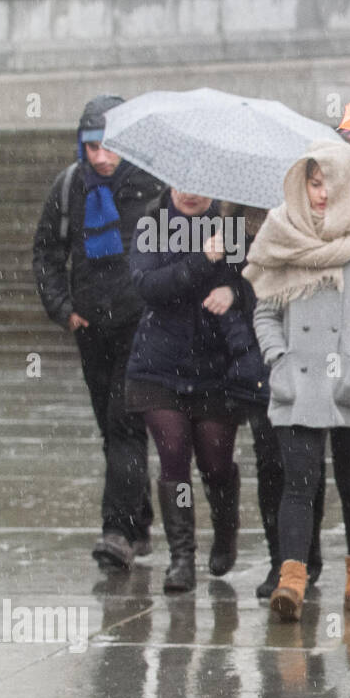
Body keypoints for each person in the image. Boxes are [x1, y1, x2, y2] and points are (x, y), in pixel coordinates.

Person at [246, 140, 350, 619]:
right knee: (298, 481)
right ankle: (291, 581)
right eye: (314, 182)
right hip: (298, 380)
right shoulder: (281, 230)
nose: (322, 193)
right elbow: (265, 311)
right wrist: (278, 359)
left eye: (330, 182)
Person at [32, 95, 163, 574]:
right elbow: (46, 253)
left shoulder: (153, 187)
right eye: (92, 147)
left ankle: (118, 531)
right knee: (111, 431)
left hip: (139, 325)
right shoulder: (69, 188)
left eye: (110, 146)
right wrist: (63, 310)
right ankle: (141, 520)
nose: (102, 157)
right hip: (90, 327)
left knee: (125, 424)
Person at [126, 186, 262, 593]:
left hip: (216, 367)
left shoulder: (231, 229)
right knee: (173, 460)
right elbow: (149, 285)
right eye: (181, 184)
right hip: (159, 365)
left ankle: (225, 530)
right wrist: (202, 261)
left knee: (216, 463)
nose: (189, 194)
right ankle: (181, 557)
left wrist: (234, 291)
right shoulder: (153, 226)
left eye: (201, 189)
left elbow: (261, 285)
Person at [215, 203, 327, 599]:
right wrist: (250, 349)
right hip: (257, 364)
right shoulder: (231, 230)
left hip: (306, 355)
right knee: (271, 463)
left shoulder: (305, 225)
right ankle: (280, 559)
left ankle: (306, 557)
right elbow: (225, 301)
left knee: (306, 462)